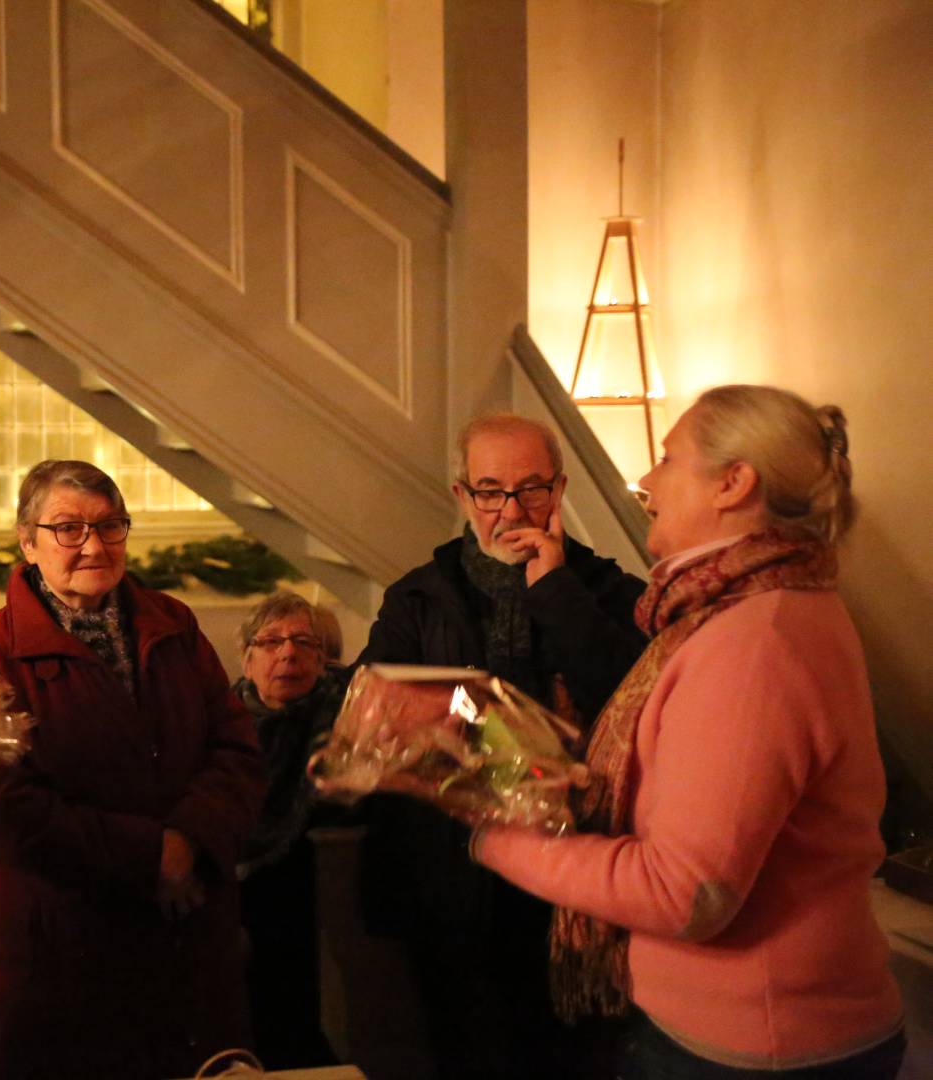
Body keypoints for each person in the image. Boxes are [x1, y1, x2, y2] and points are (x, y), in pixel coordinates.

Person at [473, 386, 905, 1077]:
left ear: (734, 483)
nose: (645, 479)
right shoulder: (747, 609)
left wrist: (495, 838)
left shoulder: (755, 639)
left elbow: (684, 892)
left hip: (760, 1041)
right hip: (752, 1028)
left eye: (669, 458)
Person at [0, 459, 265, 1080]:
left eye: (109, 526)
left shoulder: (174, 625)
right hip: (63, 952)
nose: (93, 545)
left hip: (184, 941)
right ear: (28, 542)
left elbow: (236, 750)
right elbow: (2, 810)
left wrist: (190, 840)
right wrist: (153, 855)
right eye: (68, 528)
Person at [354, 411, 648, 1077]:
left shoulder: (611, 593)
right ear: (463, 496)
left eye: (531, 489)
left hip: (580, 883)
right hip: (455, 883)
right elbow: (381, 720)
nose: (511, 509)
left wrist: (554, 590)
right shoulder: (419, 599)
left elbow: (633, 710)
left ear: (560, 490)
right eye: (490, 490)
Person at [234, 592, 349, 1070]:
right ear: (247, 658)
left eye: (303, 642)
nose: (288, 653)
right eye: (271, 641)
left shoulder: (345, 717)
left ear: (322, 660)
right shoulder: (220, 723)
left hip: (316, 894)